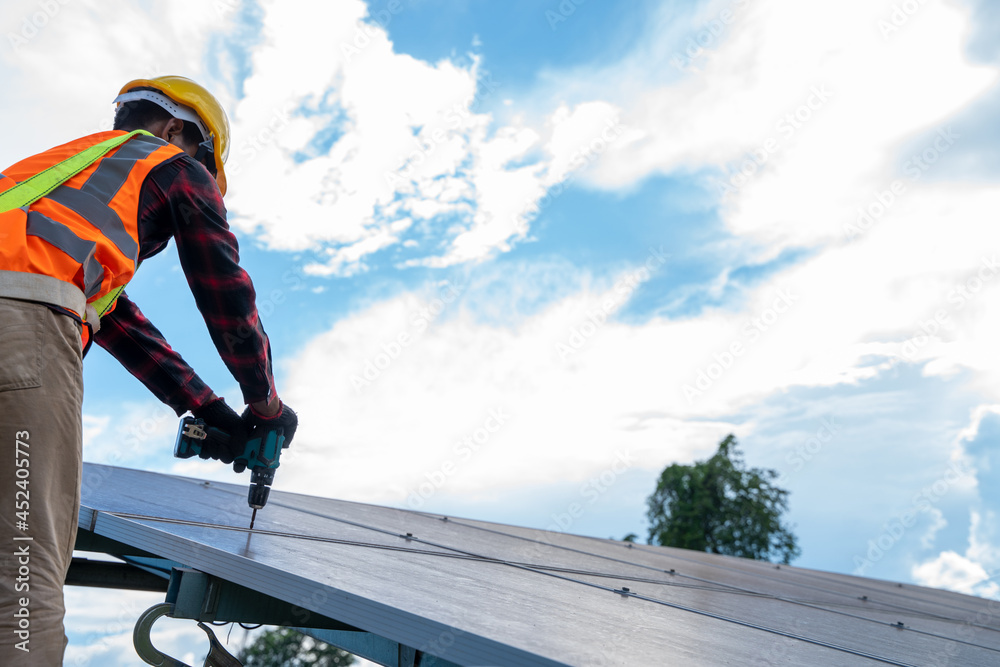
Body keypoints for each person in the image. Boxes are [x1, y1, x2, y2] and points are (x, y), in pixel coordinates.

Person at [0, 76, 297, 665]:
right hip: (23, 329)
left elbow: (117, 321)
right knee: (22, 573)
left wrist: (208, 409)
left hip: (28, 307)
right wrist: (264, 405)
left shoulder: (53, 184)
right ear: (177, 130)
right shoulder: (173, 164)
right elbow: (223, 290)